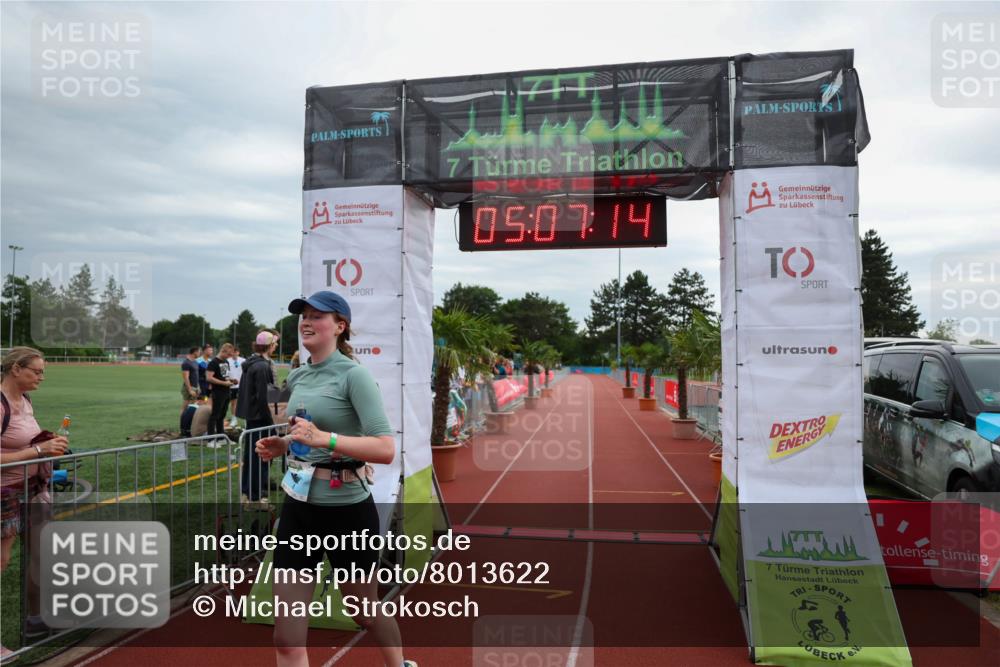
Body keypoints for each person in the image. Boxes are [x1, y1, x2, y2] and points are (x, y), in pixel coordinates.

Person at [255, 291, 416, 667]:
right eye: (303, 316)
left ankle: (399, 664)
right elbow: (304, 433)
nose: (306, 322)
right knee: (287, 637)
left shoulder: (354, 376)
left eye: (318, 316)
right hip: (300, 508)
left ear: (340, 327)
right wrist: (285, 443)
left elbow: (385, 449)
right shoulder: (298, 374)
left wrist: (324, 438)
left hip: (347, 511)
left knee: (363, 611)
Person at [1, 347, 69, 661]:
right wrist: (39, 452)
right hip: (6, 493)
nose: (41, 377)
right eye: (36, 371)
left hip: (33, 488)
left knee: (43, 553)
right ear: (16, 368)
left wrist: (44, 441)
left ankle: (36, 620)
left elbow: (25, 441)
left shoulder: (25, 400)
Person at [236, 331, 279, 503]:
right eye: (274, 343)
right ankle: (255, 495)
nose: (276, 346)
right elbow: (264, 397)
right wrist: (272, 421)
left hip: (252, 416)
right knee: (260, 456)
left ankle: (248, 491)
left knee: (252, 455)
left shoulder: (252, 363)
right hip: (261, 417)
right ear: (269, 345)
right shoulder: (262, 366)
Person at [205, 343, 237, 437]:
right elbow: (209, 378)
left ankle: (220, 437)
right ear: (223, 351)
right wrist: (224, 383)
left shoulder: (226, 362)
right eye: (228, 354)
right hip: (218, 392)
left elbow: (224, 376)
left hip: (227, 391)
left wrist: (231, 381)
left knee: (222, 416)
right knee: (214, 416)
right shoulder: (213, 362)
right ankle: (210, 439)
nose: (230, 357)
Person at [180, 346, 201, 436]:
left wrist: (198, 387)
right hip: (189, 388)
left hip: (195, 388)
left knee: (193, 406)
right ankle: (182, 427)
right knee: (185, 407)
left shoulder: (195, 362)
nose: (199, 353)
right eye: (199, 352)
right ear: (195, 352)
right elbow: (186, 377)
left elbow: (196, 376)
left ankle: (189, 425)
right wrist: (189, 389)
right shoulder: (186, 363)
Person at [227, 346, 245, 429]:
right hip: (231, 386)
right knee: (233, 403)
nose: (234, 353)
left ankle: (246, 420)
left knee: (243, 402)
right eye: (233, 352)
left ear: (238, 352)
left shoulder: (243, 361)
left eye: (236, 352)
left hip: (241, 385)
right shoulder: (227, 361)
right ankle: (234, 419)